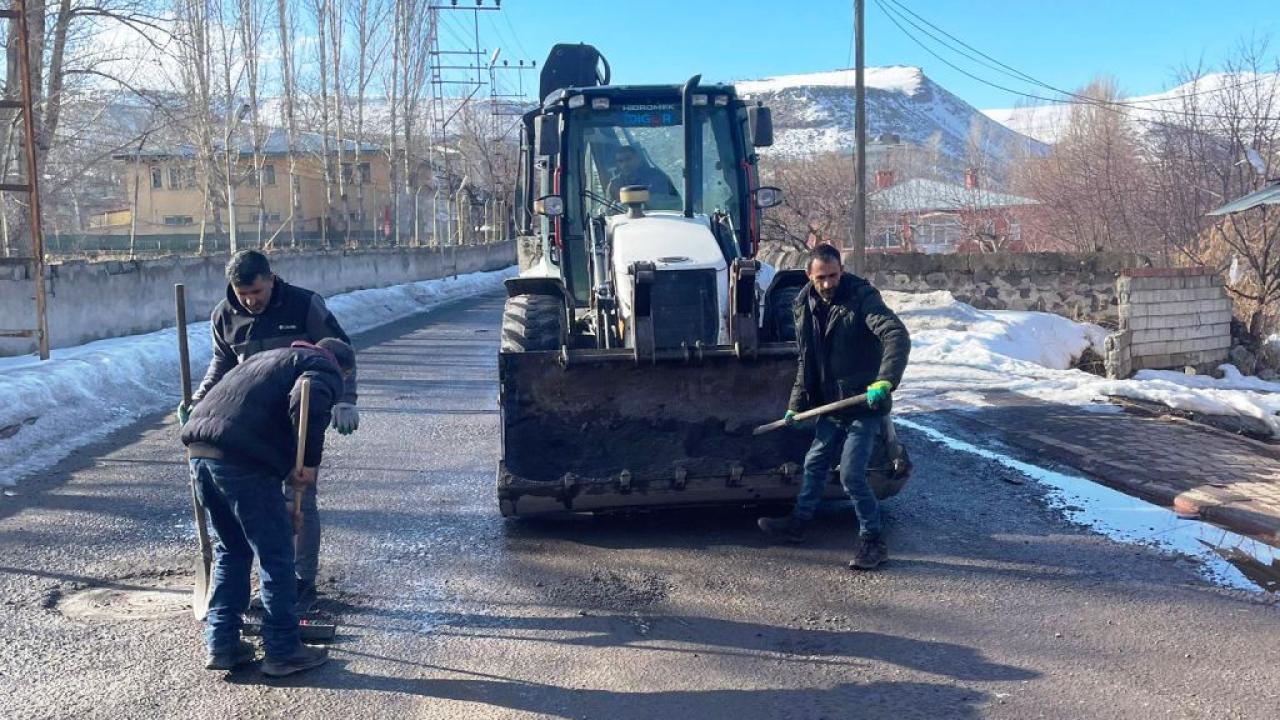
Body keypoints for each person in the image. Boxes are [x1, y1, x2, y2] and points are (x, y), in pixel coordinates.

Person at [178, 249, 358, 611]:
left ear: (271, 279)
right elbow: (224, 363)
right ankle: (264, 584)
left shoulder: (304, 305)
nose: (250, 300)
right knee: (254, 509)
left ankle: (301, 581)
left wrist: (344, 399)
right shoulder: (224, 315)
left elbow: (338, 355)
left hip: (300, 418)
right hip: (248, 425)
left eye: (256, 293)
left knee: (299, 497)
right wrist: (202, 399)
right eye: (243, 293)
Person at [181, 337, 354, 676]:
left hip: (200, 452)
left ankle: (223, 644)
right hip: (242, 460)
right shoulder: (322, 366)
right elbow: (309, 399)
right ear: (343, 369)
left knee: (232, 549)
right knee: (276, 554)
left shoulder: (269, 358)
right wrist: (306, 467)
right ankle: (283, 649)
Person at [757, 243, 911, 570]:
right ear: (808, 276)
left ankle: (873, 542)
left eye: (834, 276)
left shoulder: (862, 298)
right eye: (821, 278)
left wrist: (884, 381)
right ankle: (797, 525)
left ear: (841, 271)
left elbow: (896, 335)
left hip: (863, 402)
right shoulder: (803, 305)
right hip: (831, 405)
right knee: (814, 463)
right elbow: (806, 362)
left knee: (852, 475)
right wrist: (795, 406)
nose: (828, 284)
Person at [605, 144, 679, 208]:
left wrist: (645, 202)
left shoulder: (657, 177)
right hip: (626, 223)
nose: (625, 164)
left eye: (628, 159)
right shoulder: (615, 184)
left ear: (638, 159)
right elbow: (608, 212)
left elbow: (676, 204)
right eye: (620, 161)